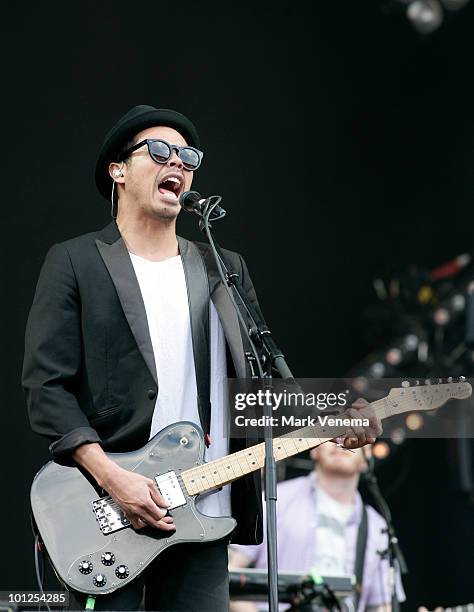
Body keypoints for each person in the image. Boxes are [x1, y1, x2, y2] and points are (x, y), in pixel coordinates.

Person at [22, 104, 379, 611]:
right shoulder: (76, 261)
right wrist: (112, 477)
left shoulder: (222, 269)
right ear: (118, 171)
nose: (180, 163)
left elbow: (257, 386)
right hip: (107, 512)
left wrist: (330, 414)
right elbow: (46, 386)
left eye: (188, 156)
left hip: (203, 510)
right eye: (161, 151)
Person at [229, 443, 405, 612]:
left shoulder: (377, 527)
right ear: (314, 449)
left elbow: (382, 605)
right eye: (332, 435)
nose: (341, 443)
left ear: (367, 456)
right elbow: (228, 575)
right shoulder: (274, 502)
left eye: (351, 437)